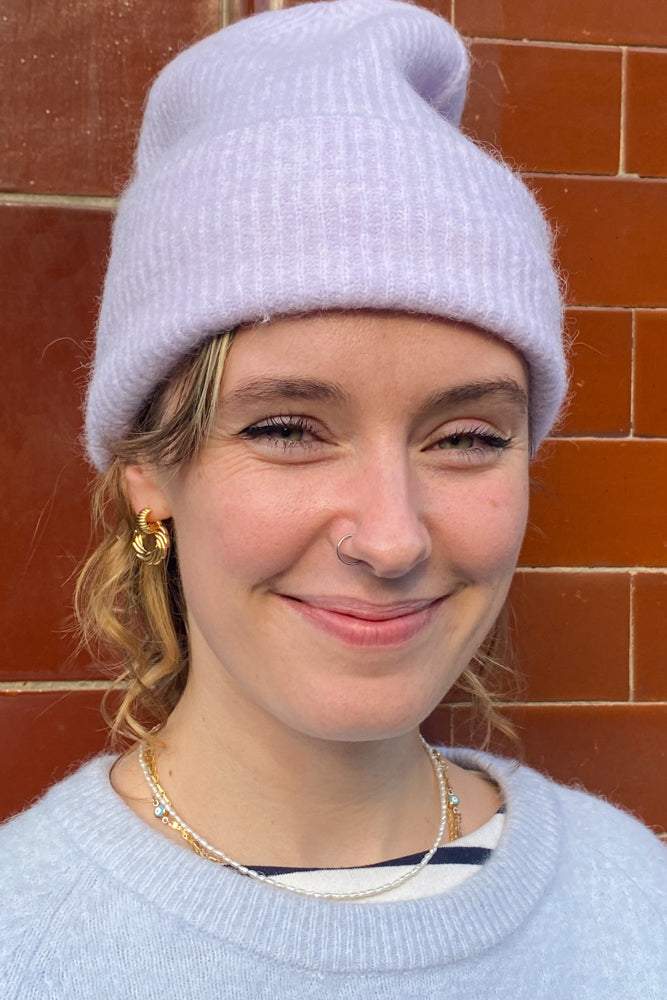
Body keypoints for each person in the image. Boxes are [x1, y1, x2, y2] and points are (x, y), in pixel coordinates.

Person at [1, 1, 665, 996]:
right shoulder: (28, 938)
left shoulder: (634, 896)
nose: (391, 537)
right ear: (149, 471)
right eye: (285, 429)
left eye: (468, 437)